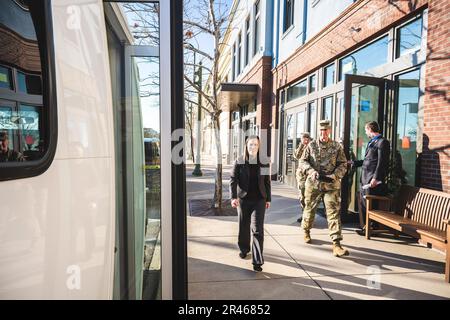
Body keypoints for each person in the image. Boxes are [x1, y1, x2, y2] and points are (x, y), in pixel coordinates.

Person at [299, 120, 349, 257]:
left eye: (326, 130)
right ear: (319, 131)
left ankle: (336, 244)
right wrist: (310, 171)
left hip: (331, 185)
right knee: (309, 208)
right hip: (314, 184)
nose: (324, 133)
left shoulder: (336, 146)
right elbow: (302, 161)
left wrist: (336, 175)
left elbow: (343, 164)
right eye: (322, 130)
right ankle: (306, 230)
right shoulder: (311, 145)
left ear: (330, 131)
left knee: (333, 213)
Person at [230, 135, 271, 272]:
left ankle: (257, 261)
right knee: (243, 226)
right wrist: (233, 197)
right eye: (251, 144)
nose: (253, 147)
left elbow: (266, 182)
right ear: (246, 146)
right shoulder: (239, 161)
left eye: (256, 144)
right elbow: (233, 180)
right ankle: (244, 248)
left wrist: (268, 198)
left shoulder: (264, 162)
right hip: (243, 200)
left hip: (259, 200)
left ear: (259, 146)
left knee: (257, 230)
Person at [349, 121, 390, 236]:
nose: (366, 132)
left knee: (370, 204)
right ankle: (364, 227)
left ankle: (371, 228)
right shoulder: (372, 142)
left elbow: (382, 162)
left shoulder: (383, 142)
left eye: (366, 130)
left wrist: (376, 178)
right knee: (362, 203)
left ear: (370, 129)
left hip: (372, 180)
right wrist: (355, 163)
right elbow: (368, 160)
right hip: (365, 178)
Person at [294, 132, 311, 223]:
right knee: (302, 196)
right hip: (301, 176)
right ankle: (304, 215)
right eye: (303, 138)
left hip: (310, 175)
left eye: (306, 138)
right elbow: (296, 156)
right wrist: (301, 145)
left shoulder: (313, 147)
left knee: (309, 197)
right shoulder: (301, 146)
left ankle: (308, 217)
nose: (305, 140)